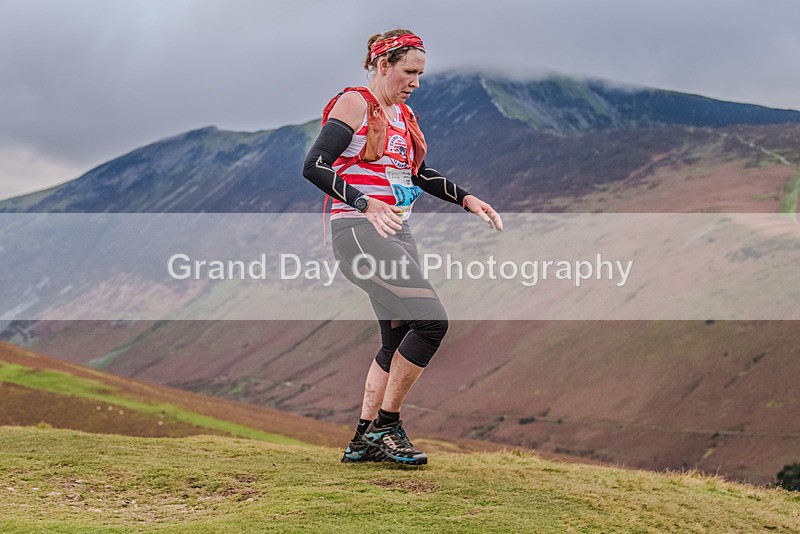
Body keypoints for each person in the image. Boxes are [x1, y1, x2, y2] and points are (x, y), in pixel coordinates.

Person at [302, 29, 503, 465]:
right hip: (359, 230)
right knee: (431, 322)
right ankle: (386, 427)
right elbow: (314, 165)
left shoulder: (403, 116)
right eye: (409, 72)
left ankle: (363, 440)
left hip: (396, 230)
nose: (416, 82)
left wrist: (466, 198)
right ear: (382, 65)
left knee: (395, 341)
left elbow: (417, 173)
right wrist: (365, 202)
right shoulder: (355, 103)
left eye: (420, 74)